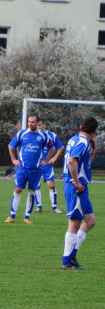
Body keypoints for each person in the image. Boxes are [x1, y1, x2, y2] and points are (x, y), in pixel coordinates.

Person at [60, 116, 99, 270]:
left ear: (81, 126)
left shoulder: (75, 140)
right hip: (76, 187)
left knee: (90, 221)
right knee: (74, 224)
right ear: (95, 131)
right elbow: (71, 161)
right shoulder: (82, 142)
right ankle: (66, 261)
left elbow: (85, 163)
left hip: (81, 188)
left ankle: (71, 257)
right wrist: (76, 182)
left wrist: (94, 149)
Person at [5, 114, 54, 224]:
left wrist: (45, 161)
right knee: (17, 190)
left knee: (31, 192)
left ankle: (27, 217)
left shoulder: (43, 136)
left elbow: (52, 148)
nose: (30, 124)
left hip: (36, 170)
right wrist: (13, 160)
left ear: (37, 123)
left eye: (33, 122)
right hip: (22, 169)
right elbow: (11, 146)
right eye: (29, 121)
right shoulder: (22, 134)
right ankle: (12, 216)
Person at [35, 119, 64, 214]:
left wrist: (55, 157)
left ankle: (54, 207)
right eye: (37, 125)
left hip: (47, 165)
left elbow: (61, 147)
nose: (38, 126)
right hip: (36, 165)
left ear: (44, 125)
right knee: (36, 186)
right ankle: (39, 207)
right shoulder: (33, 135)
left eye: (40, 124)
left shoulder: (51, 135)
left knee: (51, 185)